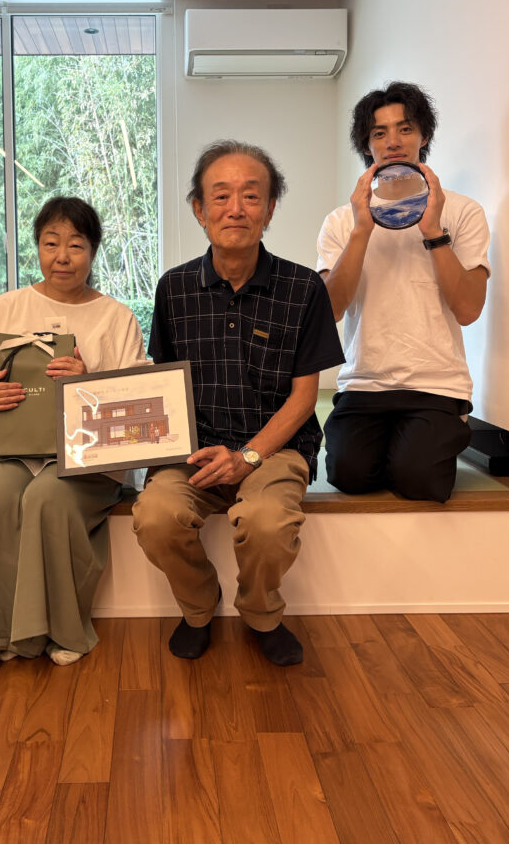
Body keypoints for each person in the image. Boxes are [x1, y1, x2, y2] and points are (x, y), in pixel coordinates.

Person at [132, 141, 344, 666]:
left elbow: (305, 397)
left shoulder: (303, 288)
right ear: (199, 209)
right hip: (193, 452)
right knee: (155, 516)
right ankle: (198, 608)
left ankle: (261, 613)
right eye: (221, 195)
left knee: (269, 524)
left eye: (251, 196)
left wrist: (247, 456)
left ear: (269, 209)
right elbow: (163, 383)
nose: (236, 208)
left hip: (274, 451)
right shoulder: (174, 288)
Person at [0, 196, 146, 665]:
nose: (62, 256)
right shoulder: (9, 306)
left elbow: (138, 402)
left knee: (48, 495)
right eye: (50, 243)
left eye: (76, 245)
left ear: (93, 251)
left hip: (87, 458)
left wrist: (88, 384)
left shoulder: (117, 317)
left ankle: (62, 631)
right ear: (37, 247)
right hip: (9, 449)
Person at [317, 81, 490, 503]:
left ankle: (439, 431)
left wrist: (433, 231)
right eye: (380, 133)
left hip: (437, 384)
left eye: (405, 129)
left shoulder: (462, 211)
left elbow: (468, 309)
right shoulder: (341, 221)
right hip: (364, 384)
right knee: (348, 475)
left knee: (419, 480)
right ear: (367, 144)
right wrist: (362, 230)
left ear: (423, 136)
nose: (392, 142)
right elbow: (330, 310)